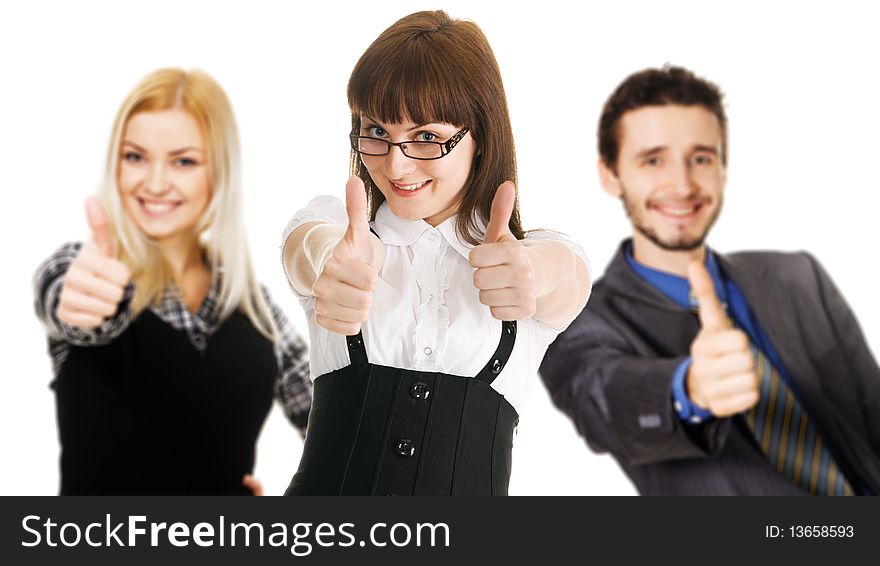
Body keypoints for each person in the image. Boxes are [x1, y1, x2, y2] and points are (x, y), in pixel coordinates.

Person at [280, 10, 591, 495]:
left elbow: (567, 273)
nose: (396, 164)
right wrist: (327, 264)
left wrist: (530, 270)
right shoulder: (342, 233)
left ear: (481, 136)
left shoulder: (524, 256)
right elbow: (305, 249)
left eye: (427, 137)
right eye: (377, 131)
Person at [540, 65, 880, 495]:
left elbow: (870, 407)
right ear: (610, 174)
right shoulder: (575, 318)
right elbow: (604, 403)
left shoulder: (798, 276)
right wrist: (690, 389)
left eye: (701, 158)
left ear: (723, 168)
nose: (682, 185)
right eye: (653, 160)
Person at [33, 68, 312, 495]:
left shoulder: (257, 310)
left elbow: (333, 428)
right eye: (135, 157)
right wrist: (76, 297)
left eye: (183, 161)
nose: (156, 182)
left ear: (218, 173)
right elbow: (64, 297)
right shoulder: (87, 269)